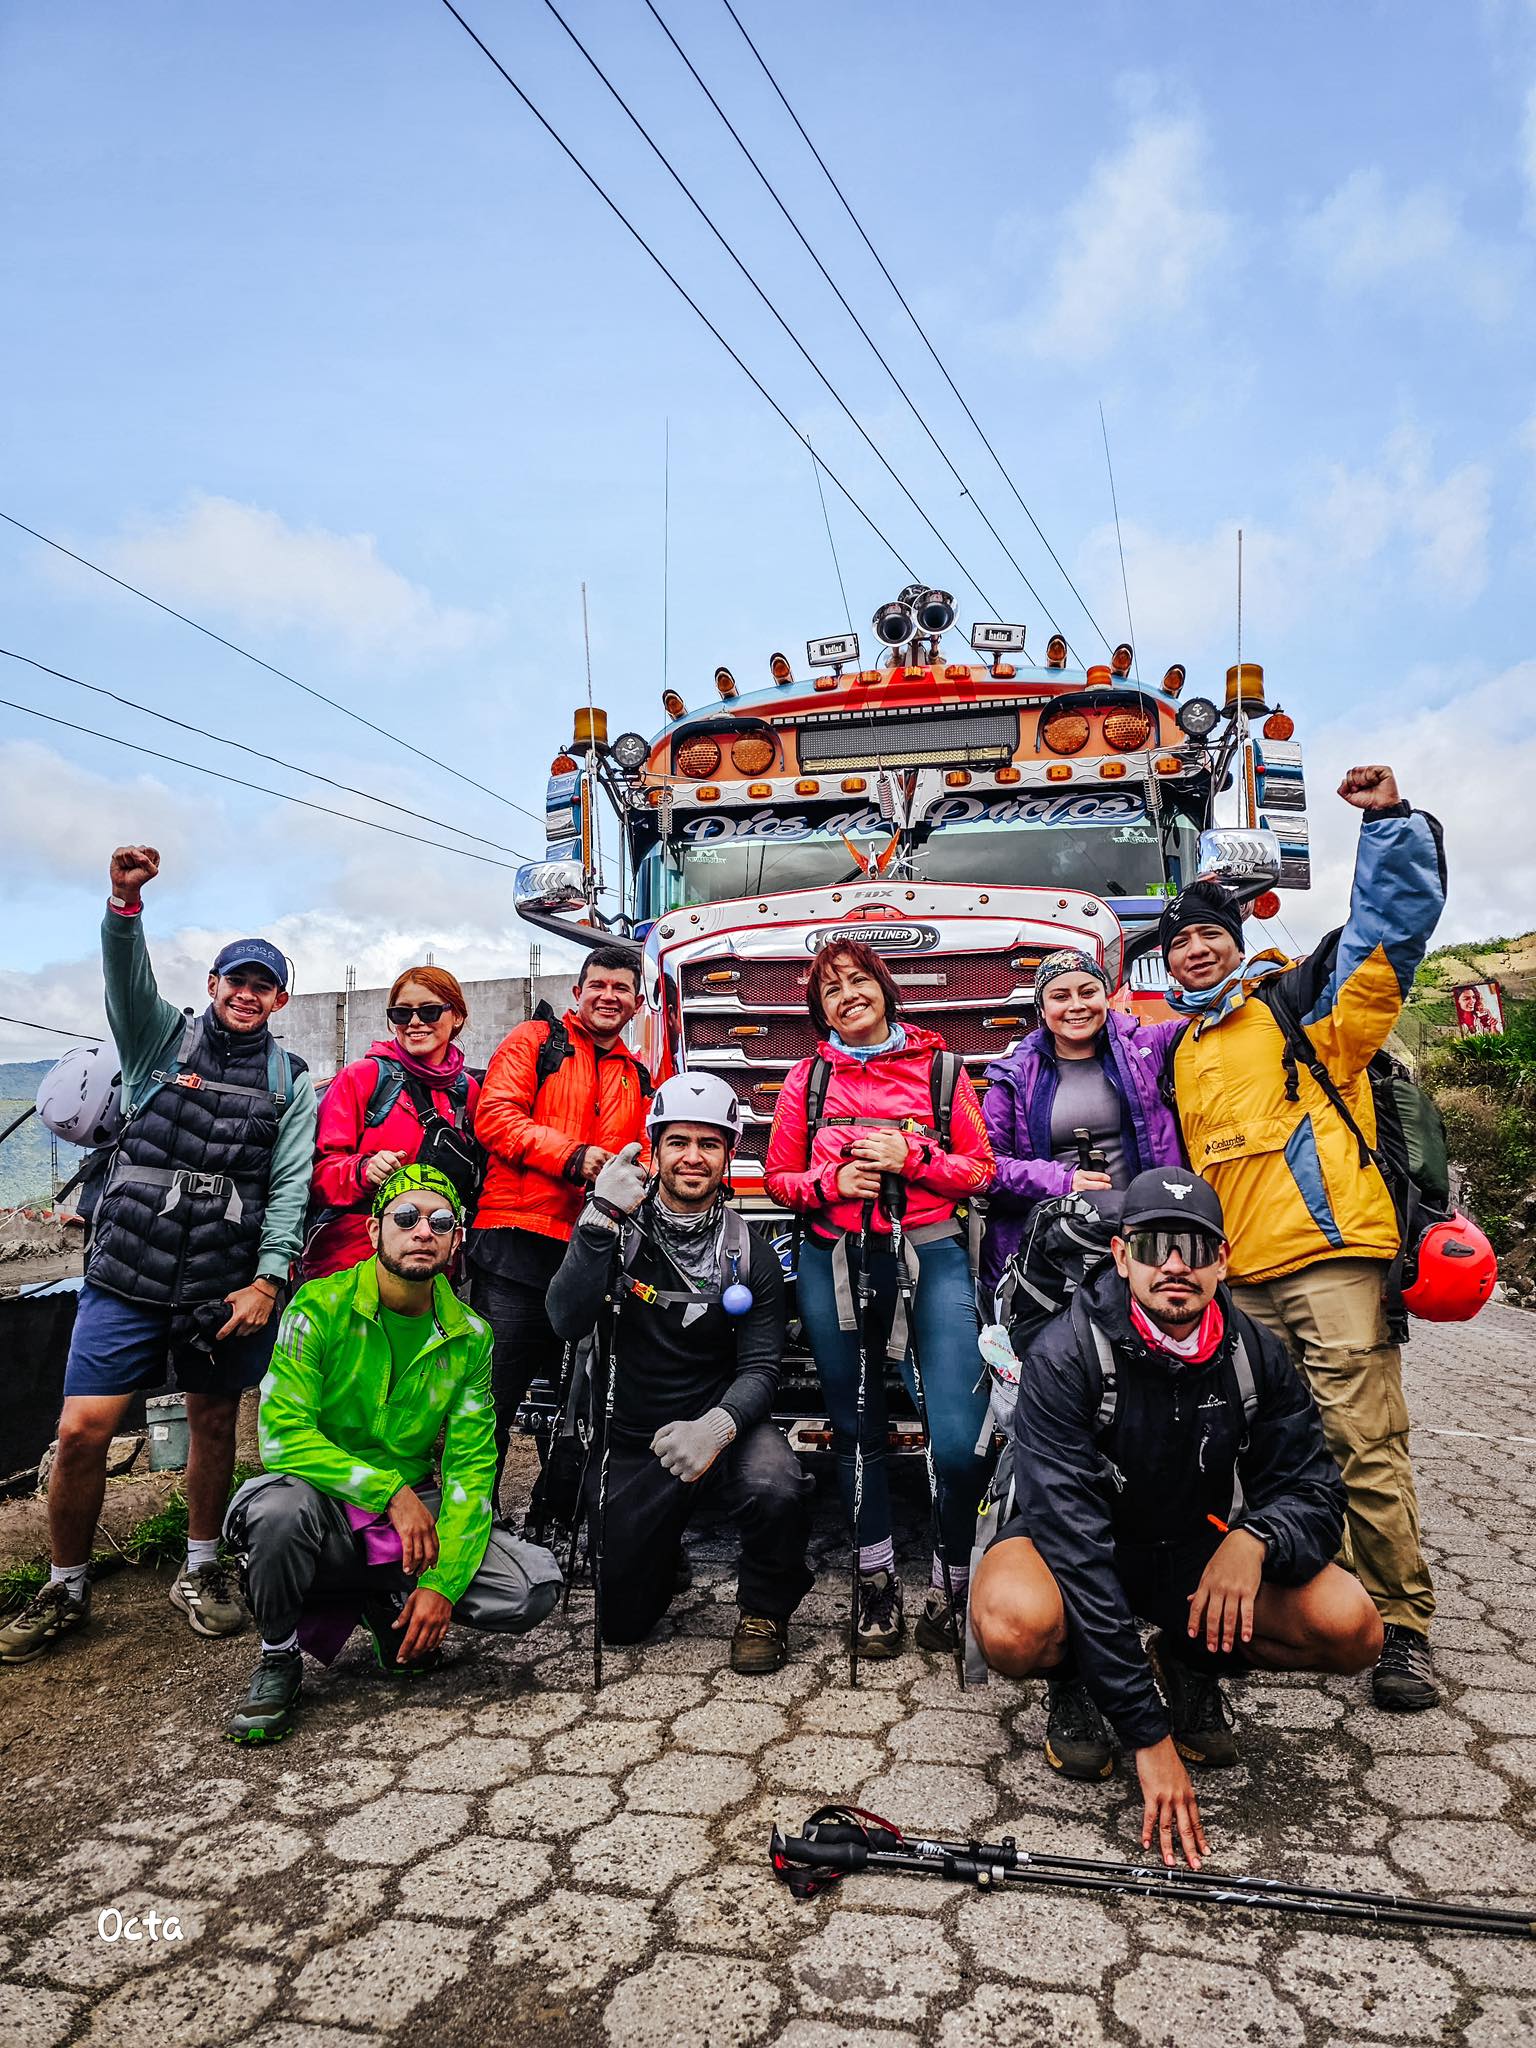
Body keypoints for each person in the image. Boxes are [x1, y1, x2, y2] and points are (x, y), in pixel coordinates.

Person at [970, 1168, 1382, 1871]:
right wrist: (1149, 1738)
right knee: (1012, 1624)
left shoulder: (1255, 1353)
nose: (1175, 1265)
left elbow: (1315, 1490)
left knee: (1352, 1628)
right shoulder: (1066, 1354)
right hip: (1071, 1553)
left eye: (1195, 1249)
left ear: (1223, 1261)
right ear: (1123, 1256)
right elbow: (1075, 1546)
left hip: (1192, 1547)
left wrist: (1258, 1537)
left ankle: (1187, 1661)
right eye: (1156, 1245)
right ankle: (1076, 1680)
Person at [1159, 764, 1446, 1711]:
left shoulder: (1307, 1005)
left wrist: (1390, 826)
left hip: (1329, 1264)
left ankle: (1400, 1625)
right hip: (1237, 1285)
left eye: (1207, 935)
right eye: (1178, 945)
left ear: (1234, 940)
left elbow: (1386, 934)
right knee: (1264, 1454)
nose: (1193, 953)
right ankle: (1294, 1592)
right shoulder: (1184, 1052)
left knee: (1362, 1441)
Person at [0, 845, 318, 1667]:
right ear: (213, 986)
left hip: (222, 1279)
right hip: (126, 1274)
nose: (247, 994)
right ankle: (64, 1583)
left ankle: (202, 1568)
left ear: (280, 998)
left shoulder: (290, 1080)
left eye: (262, 985)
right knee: (81, 1431)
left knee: (214, 1424)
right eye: (234, 980)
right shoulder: (156, 1042)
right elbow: (123, 972)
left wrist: (269, 1280)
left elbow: (289, 1186)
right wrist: (123, 901)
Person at [222, 1165, 561, 1742]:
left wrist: (443, 1585)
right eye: (406, 1218)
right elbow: (279, 1437)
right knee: (276, 1514)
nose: (422, 1231)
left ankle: (390, 1604)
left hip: (409, 1512)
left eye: (441, 1221)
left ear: (457, 1242)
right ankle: (279, 1655)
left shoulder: (471, 1336)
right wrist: (389, 1491)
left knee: (529, 1588)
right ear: (376, 1231)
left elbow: (471, 1470)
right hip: (320, 1498)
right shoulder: (317, 1307)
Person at [765, 938, 994, 1658]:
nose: (846, 996)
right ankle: (876, 1582)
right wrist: (830, 1186)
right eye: (830, 990)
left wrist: (912, 1157)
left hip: (930, 1255)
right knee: (855, 1425)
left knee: (960, 1444)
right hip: (833, 1257)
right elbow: (779, 1180)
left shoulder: (941, 1068)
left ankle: (953, 1583)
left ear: (884, 988)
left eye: (858, 981)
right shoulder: (804, 1080)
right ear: (820, 1009)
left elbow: (980, 1169)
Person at [548, 1072, 813, 1673]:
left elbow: (762, 1368)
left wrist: (715, 1429)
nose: (693, 1157)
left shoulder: (752, 1249)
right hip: (635, 1436)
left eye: (710, 1143)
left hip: (723, 1427)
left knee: (776, 1486)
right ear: (655, 1149)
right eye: (679, 1142)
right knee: (620, 1626)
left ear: (729, 1155)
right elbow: (565, 1320)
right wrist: (597, 1219)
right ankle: (659, 1557)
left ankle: (764, 1608)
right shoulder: (615, 1229)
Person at [469, 947, 651, 1504]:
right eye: (597, 985)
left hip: (589, 1252)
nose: (607, 996)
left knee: (580, 1401)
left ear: (637, 1003)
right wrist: (576, 1158)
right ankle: (473, 1521)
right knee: (490, 1401)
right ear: (578, 992)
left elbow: (644, 1153)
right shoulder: (533, 1041)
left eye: (621, 989)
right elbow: (495, 1118)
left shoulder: (638, 1074)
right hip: (515, 1243)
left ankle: (560, 1514)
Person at [979, 947, 1185, 1300]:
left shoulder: (1152, 1048)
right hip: (1055, 1249)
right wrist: (1063, 1181)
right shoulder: (1012, 1078)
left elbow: (1210, 1021)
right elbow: (987, 1166)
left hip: (1147, 1240)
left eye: (1088, 992)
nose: (1076, 1005)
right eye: (1060, 996)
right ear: (1041, 1010)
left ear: (1106, 998)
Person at [302, 965, 481, 1279]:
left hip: (431, 1270)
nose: (414, 1022)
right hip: (352, 1268)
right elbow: (317, 1176)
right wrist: (364, 1170)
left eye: (429, 1011)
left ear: (457, 1017)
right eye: (401, 1013)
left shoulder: (467, 1091)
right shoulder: (363, 1077)